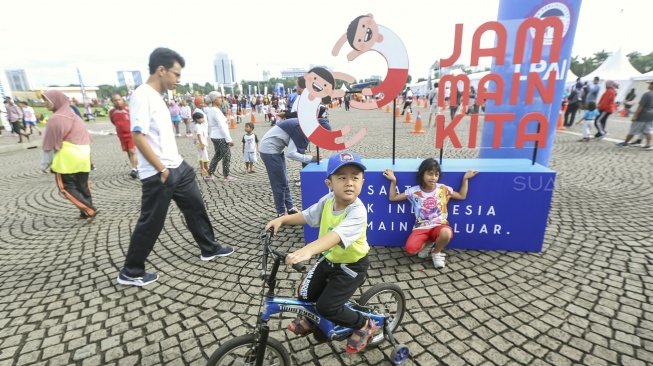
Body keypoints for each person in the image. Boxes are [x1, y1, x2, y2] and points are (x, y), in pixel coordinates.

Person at [116, 47, 233, 287]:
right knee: (151, 221)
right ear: (161, 70)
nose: (178, 80)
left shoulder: (156, 96)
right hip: (158, 172)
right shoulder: (142, 95)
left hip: (177, 166)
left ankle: (209, 248)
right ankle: (131, 271)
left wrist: (174, 166)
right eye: (176, 74)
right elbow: (138, 137)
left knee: (195, 207)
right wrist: (161, 169)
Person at [265, 151, 377, 354]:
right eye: (342, 178)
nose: (349, 183)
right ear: (329, 183)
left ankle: (363, 325)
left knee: (328, 307)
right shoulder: (327, 200)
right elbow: (307, 216)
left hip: (351, 266)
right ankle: (310, 318)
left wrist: (308, 250)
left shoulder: (357, 211)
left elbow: (335, 236)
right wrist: (282, 219)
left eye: (355, 177)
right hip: (330, 259)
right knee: (305, 293)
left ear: (362, 181)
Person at [383, 158, 479, 268]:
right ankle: (429, 244)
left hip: (439, 226)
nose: (433, 178)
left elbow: (462, 196)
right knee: (411, 250)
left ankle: (436, 252)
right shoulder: (413, 191)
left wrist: (465, 179)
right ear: (422, 173)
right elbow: (393, 197)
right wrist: (393, 181)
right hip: (421, 228)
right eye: (430, 174)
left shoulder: (443, 189)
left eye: (436, 174)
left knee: (446, 233)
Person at [39, 90, 97, 219]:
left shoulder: (55, 119)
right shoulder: (75, 116)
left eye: (46, 100)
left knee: (65, 187)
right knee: (82, 185)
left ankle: (89, 209)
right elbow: (87, 138)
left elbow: (49, 146)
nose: (44, 103)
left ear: (56, 101)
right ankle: (86, 211)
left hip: (67, 157)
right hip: (83, 154)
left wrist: (44, 165)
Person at [332, 14, 408, 111]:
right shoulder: (370, 39)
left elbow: (362, 45)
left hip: (397, 62)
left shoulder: (383, 38)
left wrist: (350, 54)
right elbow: (361, 47)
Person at [259, 117, 323, 216]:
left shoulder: (303, 124)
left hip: (275, 150)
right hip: (269, 151)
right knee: (279, 184)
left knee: (284, 181)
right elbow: (291, 153)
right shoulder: (300, 128)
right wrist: (310, 158)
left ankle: (290, 208)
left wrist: (308, 155)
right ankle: (281, 213)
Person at [205, 91, 236, 182]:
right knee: (227, 156)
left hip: (214, 136)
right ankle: (226, 176)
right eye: (219, 98)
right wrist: (229, 139)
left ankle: (210, 174)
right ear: (214, 100)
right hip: (220, 136)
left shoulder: (211, 110)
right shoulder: (216, 111)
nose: (221, 99)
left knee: (218, 155)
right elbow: (222, 126)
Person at [109, 93, 138, 179]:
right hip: (121, 136)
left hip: (131, 134)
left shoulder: (128, 109)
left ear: (122, 100)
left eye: (119, 99)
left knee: (132, 151)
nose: (117, 102)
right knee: (128, 152)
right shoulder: (112, 112)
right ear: (113, 102)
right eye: (115, 100)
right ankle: (135, 166)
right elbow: (113, 121)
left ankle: (134, 169)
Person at [616, 81, 653, 150]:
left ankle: (625, 143)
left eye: (650, 84)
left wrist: (635, 115)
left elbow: (641, 106)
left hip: (643, 114)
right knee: (647, 130)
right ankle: (648, 144)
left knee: (633, 129)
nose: (649, 85)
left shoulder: (647, 94)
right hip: (651, 115)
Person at [191, 111, 211, 179]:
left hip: (198, 143)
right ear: (197, 119)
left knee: (200, 155)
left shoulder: (196, 126)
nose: (203, 119)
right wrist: (202, 143)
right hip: (201, 143)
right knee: (205, 156)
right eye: (201, 118)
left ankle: (202, 169)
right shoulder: (198, 126)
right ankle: (208, 171)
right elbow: (199, 135)